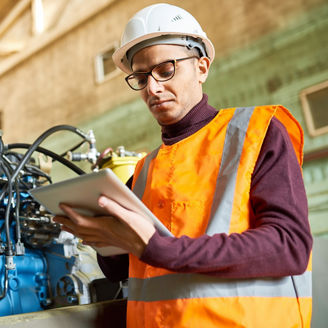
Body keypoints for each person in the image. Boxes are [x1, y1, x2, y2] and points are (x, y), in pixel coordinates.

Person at [54, 3, 313, 327]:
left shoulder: (257, 133)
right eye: (141, 76)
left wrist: (159, 248)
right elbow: (124, 270)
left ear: (202, 67)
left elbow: (289, 246)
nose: (152, 88)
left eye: (166, 70)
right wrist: (100, 235)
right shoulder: (144, 171)